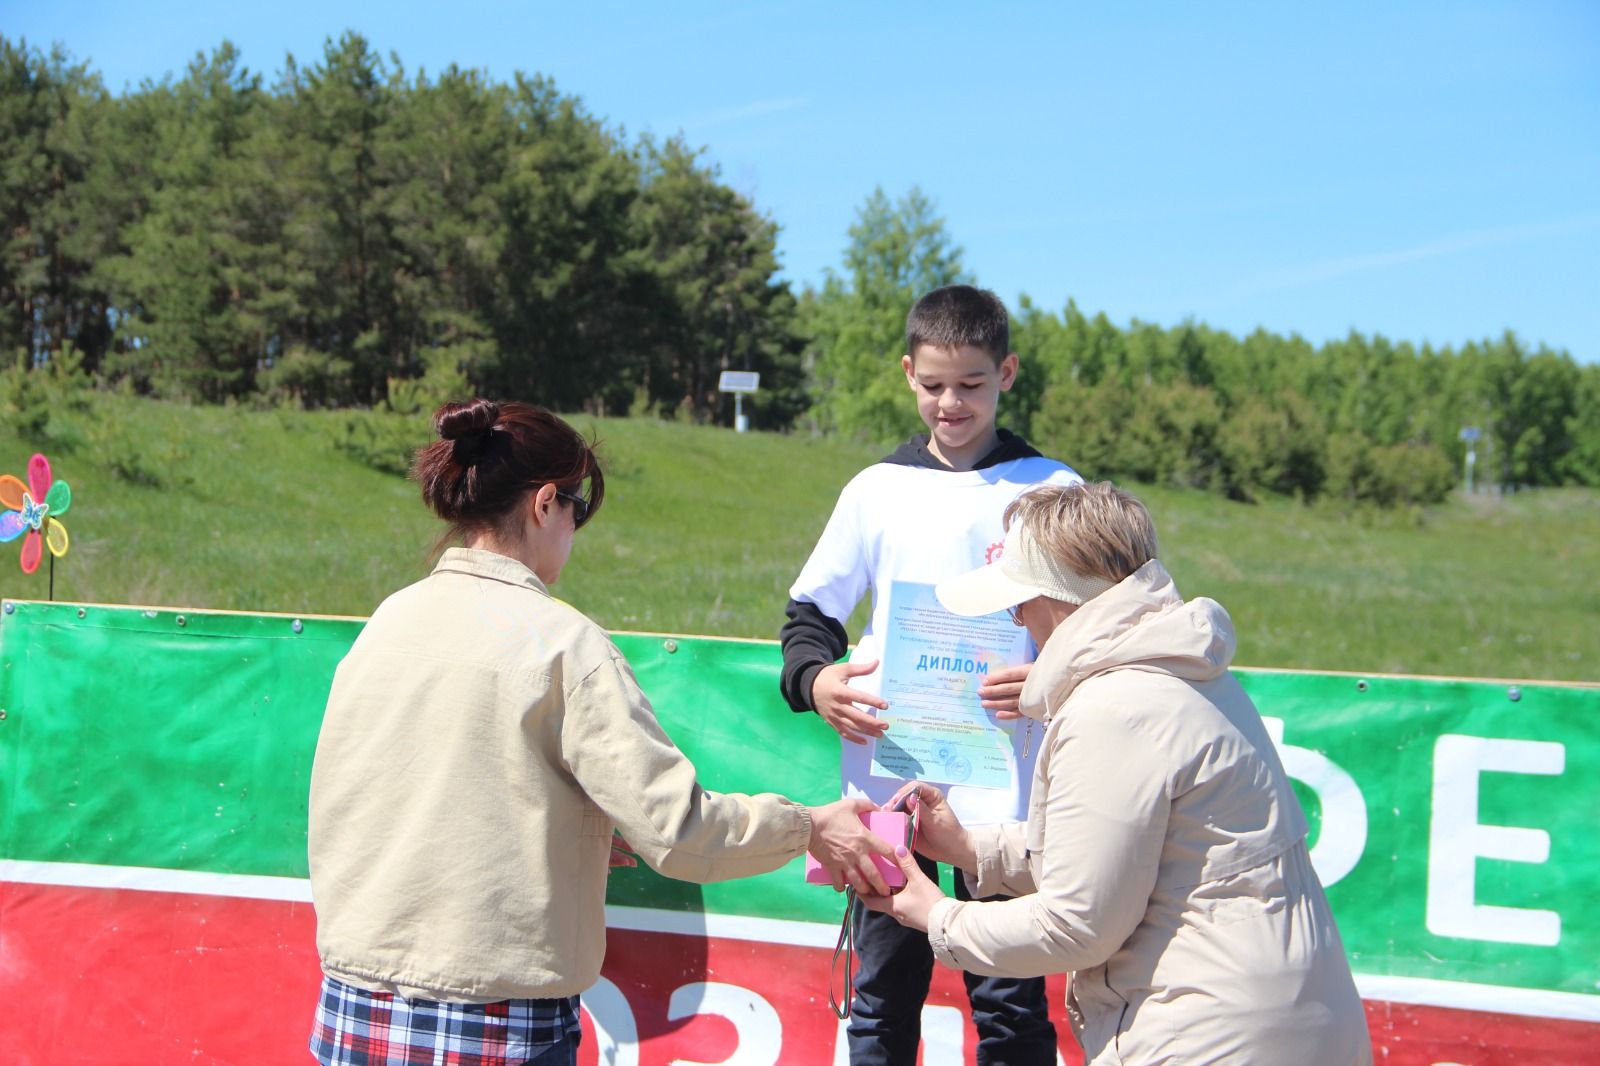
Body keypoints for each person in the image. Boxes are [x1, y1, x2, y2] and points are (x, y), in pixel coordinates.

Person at [307, 399, 895, 1066]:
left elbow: (379, 795)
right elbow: (681, 833)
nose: (576, 530)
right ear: (546, 503)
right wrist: (812, 826)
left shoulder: (387, 622)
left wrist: (575, 829)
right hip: (497, 1023)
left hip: (350, 1009)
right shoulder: (564, 645)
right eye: (577, 510)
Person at [860, 481, 1373, 1065]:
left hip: (1208, 1032)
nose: (1019, 619)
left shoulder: (1114, 708)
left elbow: (1078, 924)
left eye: (1017, 603)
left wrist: (935, 915)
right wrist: (970, 849)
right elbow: (1131, 858)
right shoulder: (1178, 669)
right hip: (1286, 1017)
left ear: (1058, 598)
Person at [780, 285, 1078, 1064]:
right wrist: (816, 684)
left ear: (1007, 372)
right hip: (887, 791)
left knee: (1010, 1008)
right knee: (881, 1001)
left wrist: (1048, 679)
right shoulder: (875, 490)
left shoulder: (1053, 490)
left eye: (972, 383)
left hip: (1005, 805)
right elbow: (810, 614)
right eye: (935, 384)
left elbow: (1099, 626)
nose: (952, 402)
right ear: (908, 373)